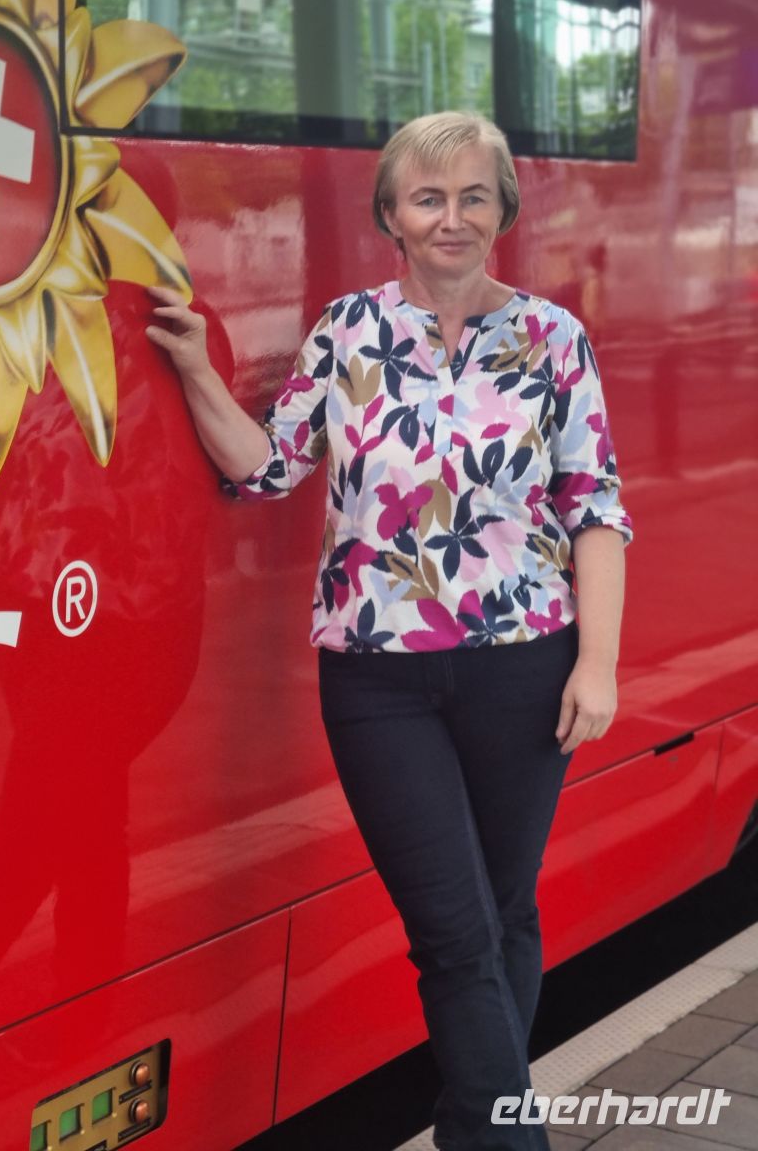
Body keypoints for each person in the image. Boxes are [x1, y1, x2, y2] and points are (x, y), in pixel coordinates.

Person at [146, 111, 631, 1151]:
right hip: (378, 681)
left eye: (472, 196)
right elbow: (269, 468)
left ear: (502, 210)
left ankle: (473, 1125)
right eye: (428, 198)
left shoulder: (552, 338)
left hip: (523, 668)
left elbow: (594, 506)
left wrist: (596, 664)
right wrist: (193, 368)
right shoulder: (347, 331)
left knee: (500, 916)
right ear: (391, 217)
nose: (451, 217)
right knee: (454, 931)